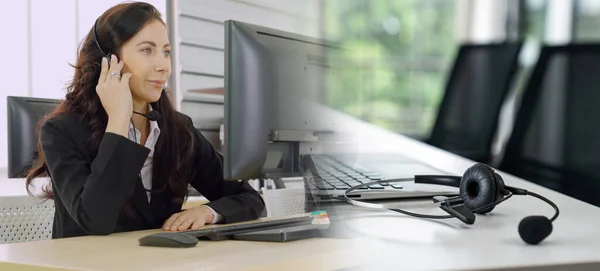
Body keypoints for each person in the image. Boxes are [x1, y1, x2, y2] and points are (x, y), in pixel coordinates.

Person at [25, 2, 265, 239]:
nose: (163, 66)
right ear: (108, 60)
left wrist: (208, 212)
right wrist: (118, 120)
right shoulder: (61, 131)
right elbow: (95, 220)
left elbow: (250, 199)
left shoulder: (178, 130)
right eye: (147, 50)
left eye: (166, 52)